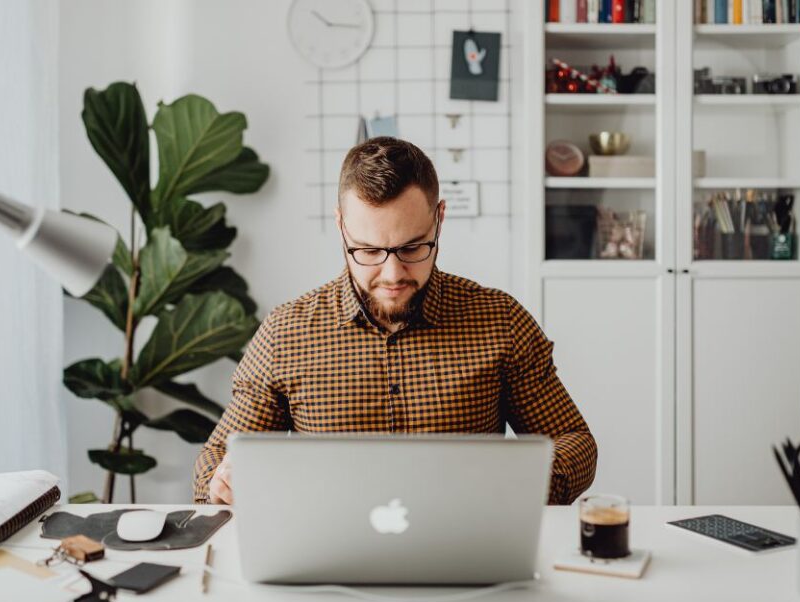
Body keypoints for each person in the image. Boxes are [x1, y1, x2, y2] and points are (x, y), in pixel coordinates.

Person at [193, 136, 596, 505]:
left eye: (412, 247)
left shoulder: (500, 321)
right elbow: (217, 457)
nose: (392, 275)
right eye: (367, 251)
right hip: (327, 560)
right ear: (340, 227)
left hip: (464, 552)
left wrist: (518, 483)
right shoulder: (286, 333)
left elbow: (575, 443)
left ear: (439, 219)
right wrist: (221, 481)